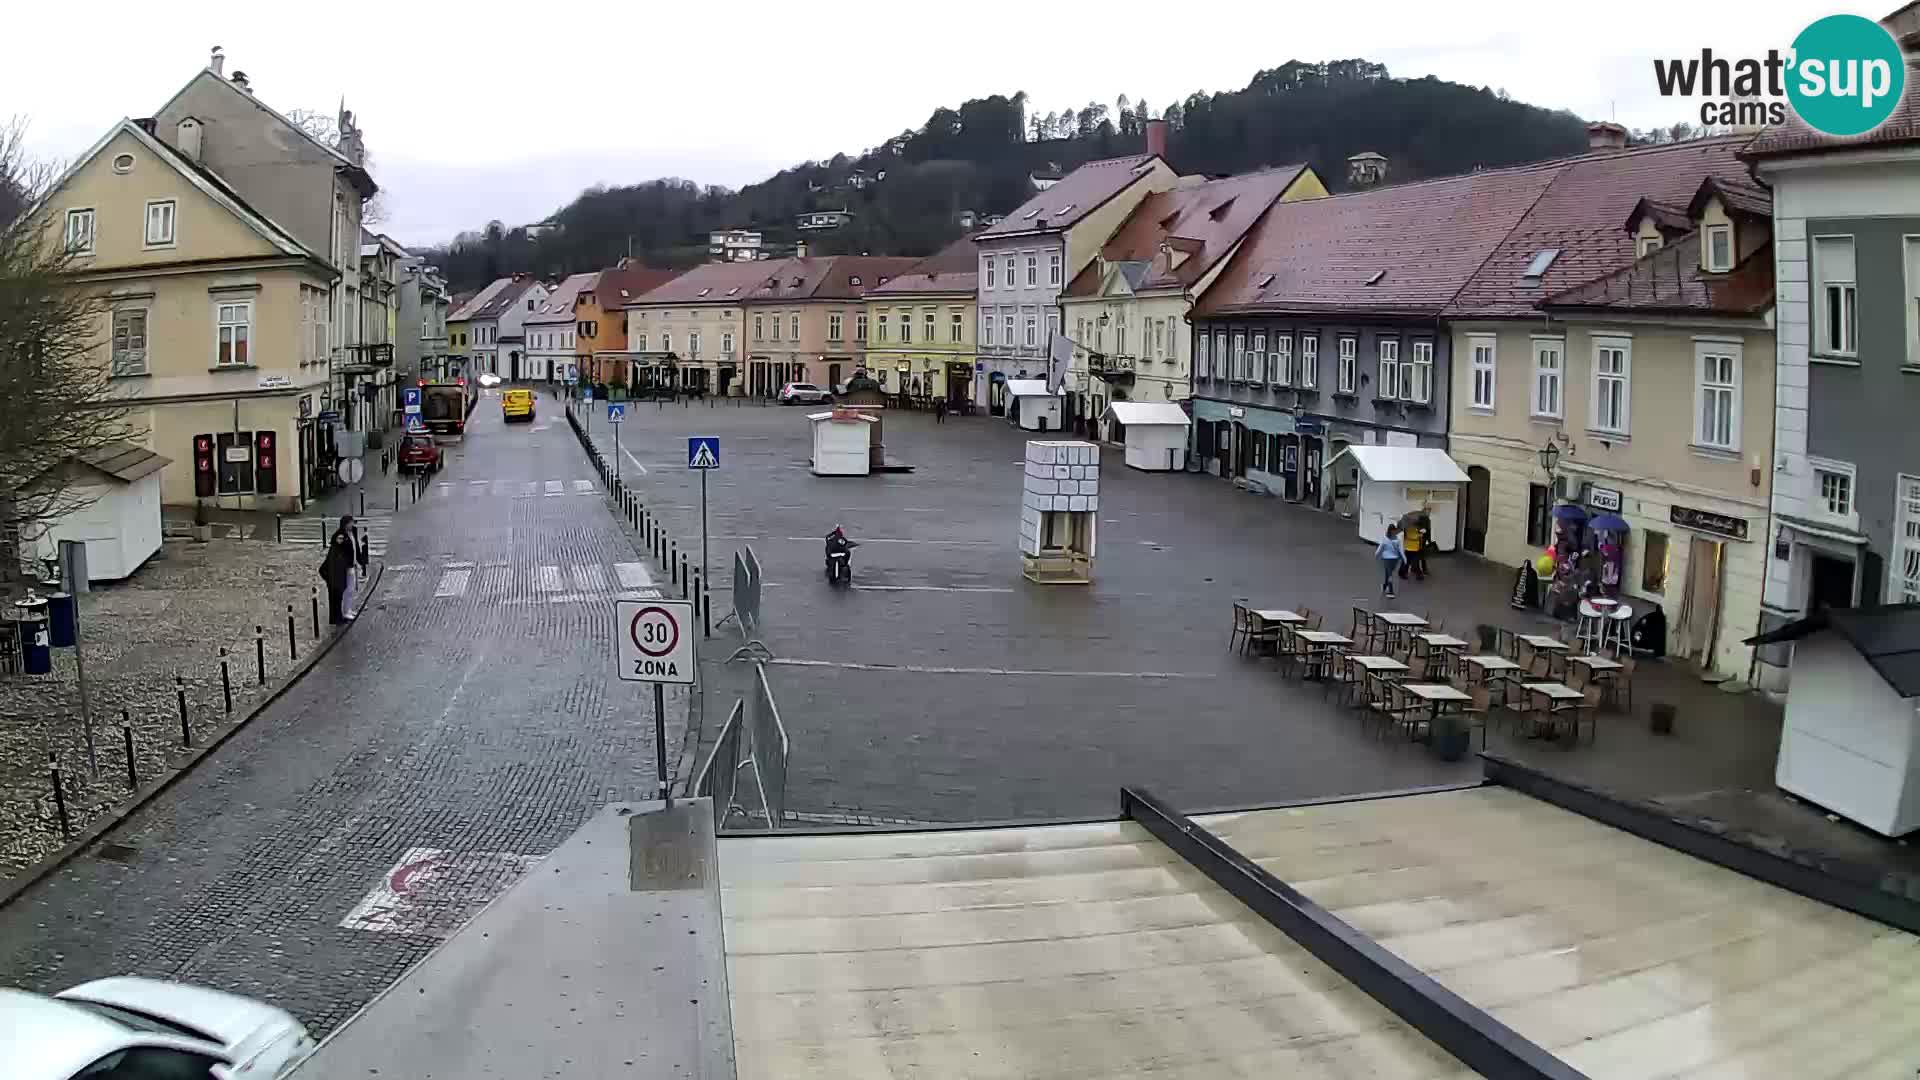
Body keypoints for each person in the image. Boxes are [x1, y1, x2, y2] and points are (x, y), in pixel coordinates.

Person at [320, 516, 357, 625]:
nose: (352, 525)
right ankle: (339, 617)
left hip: (343, 570)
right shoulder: (340, 537)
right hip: (338, 572)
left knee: (343, 593)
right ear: (346, 524)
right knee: (338, 596)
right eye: (351, 523)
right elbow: (337, 554)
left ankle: (342, 614)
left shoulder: (348, 534)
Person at [1376, 523, 1406, 600]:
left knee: (1388, 573)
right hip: (1394, 559)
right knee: (1390, 574)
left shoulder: (1385, 539)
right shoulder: (1397, 539)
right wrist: (1404, 558)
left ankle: (1385, 586)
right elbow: (1401, 550)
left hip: (1387, 559)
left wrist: (1376, 555)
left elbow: (1380, 548)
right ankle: (1391, 591)